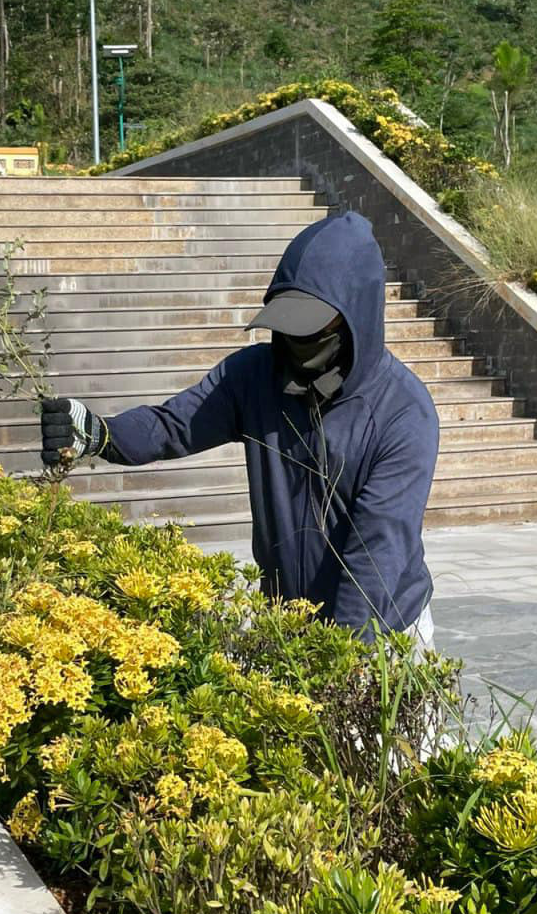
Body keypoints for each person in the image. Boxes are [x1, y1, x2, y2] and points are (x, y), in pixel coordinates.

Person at [40, 209, 437, 643]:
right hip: (288, 625)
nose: (293, 344)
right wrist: (99, 434)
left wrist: (340, 660)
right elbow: (173, 426)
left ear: (354, 316)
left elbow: (376, 554)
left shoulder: (402, 413)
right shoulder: (254, 377)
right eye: (286, 325)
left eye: (309, 327)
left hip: (383, 636)